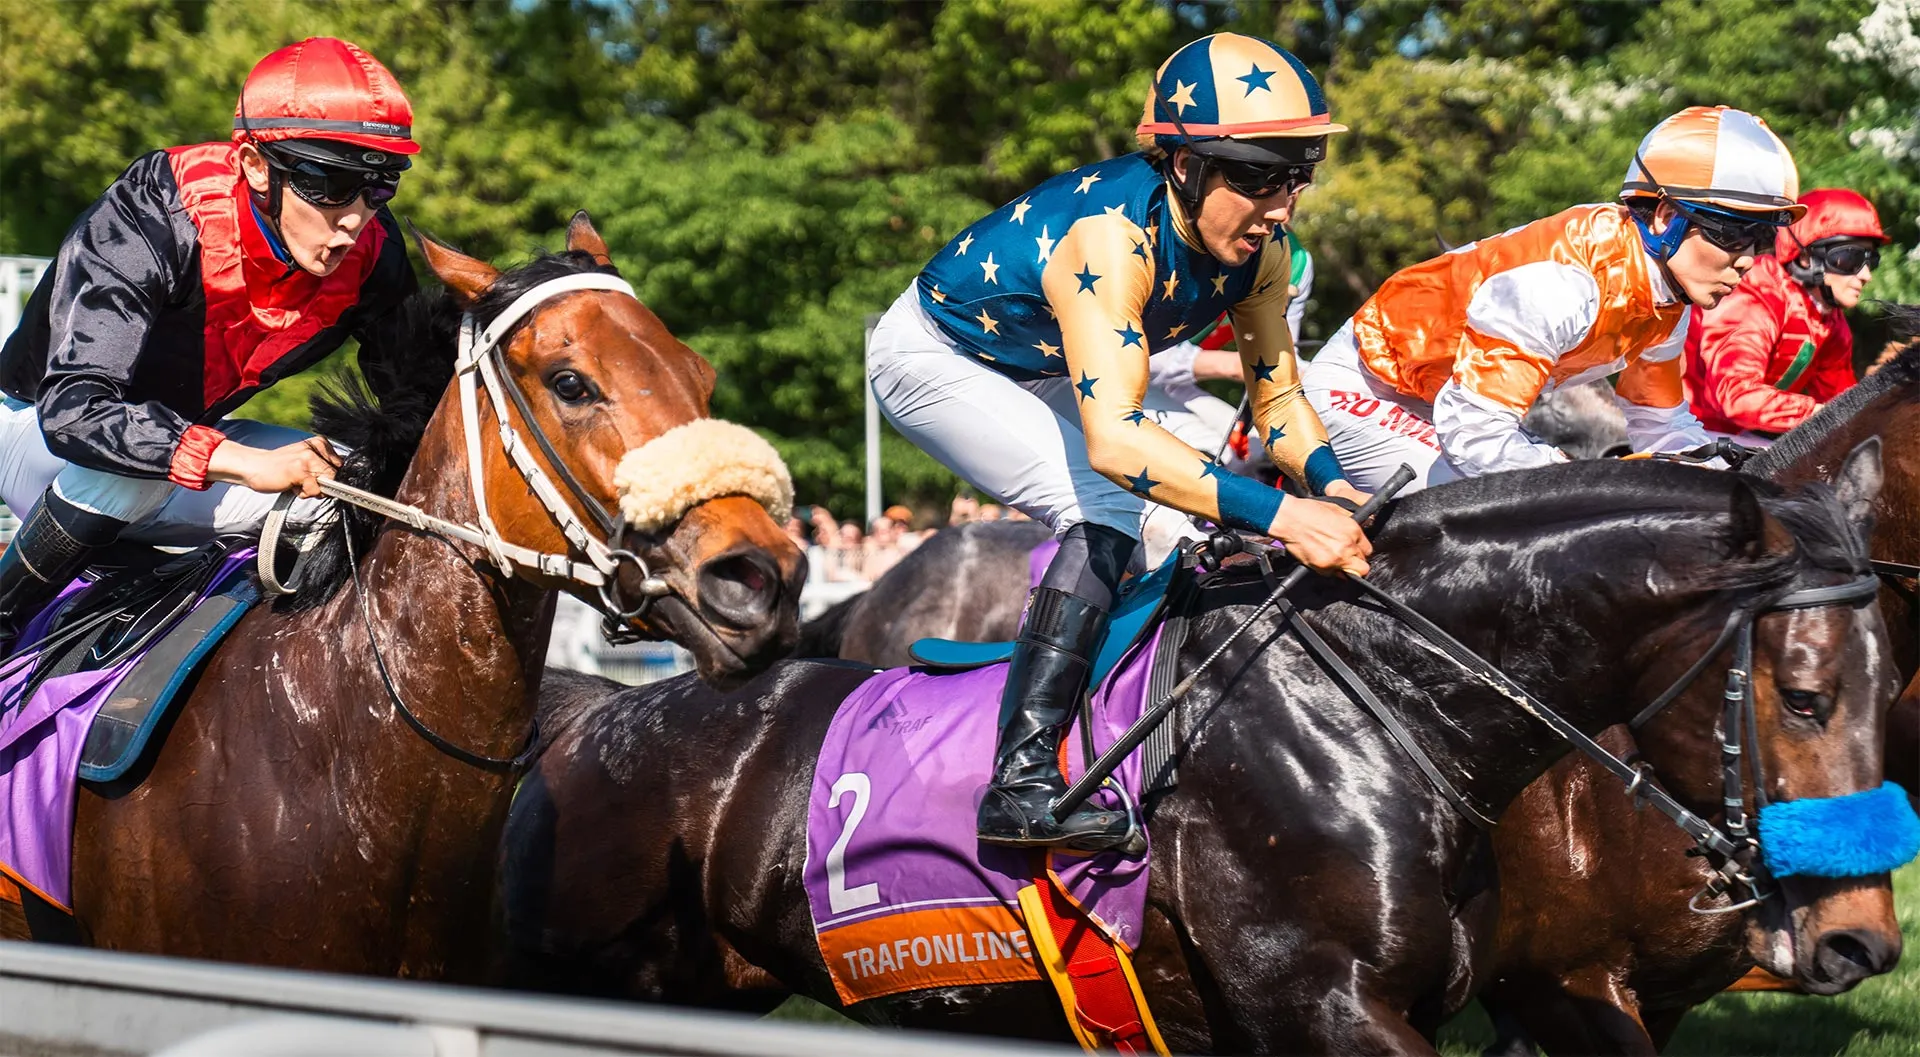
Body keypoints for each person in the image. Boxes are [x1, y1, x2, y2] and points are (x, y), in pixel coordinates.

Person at [868, 33, 1371, 851]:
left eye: (1296, 176)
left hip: (1039, 361)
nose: (1281, 205)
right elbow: (1117, 445)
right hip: (937, 355)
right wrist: (1288, 517)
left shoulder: (1267, 253)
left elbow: (1278, 399)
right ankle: (1020, 782)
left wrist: (1336, 487)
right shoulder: (1111, 238)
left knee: (1180, 524)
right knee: (1107, 504)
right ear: (1185, 165)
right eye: (1256, 177)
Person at [0, 37, 418, 645]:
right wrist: (250, 464)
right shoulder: (150, 213)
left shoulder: (373, 253)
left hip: (186, 446)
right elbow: (77, 413)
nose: (354, 218)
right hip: (39, 435)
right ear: (255, 166)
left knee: (361, 488)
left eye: (378, 187)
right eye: (329, 184)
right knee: (133, 472)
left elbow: (419, 407)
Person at [1301, 105, 1803, 491]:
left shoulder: (1666, 300)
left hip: (1452, 407)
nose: (1747, 260)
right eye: (1733, 235)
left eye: (1762, 240)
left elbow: (1660, 426)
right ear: (1666, 217)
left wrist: (1735, 479)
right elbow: (1476, 438)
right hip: (1368, 389)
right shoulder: (1563, 285)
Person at [1684, 188, 1890, 440]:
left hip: (1734, 435)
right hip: (1678, 426)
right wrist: (1823, 416)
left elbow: (1843, 404)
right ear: (1805, 257)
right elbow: (1737, 397)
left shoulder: (1831, 322)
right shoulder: (1757, 293)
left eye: (1871, 260)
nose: (1865, 275)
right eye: (1850, 259)